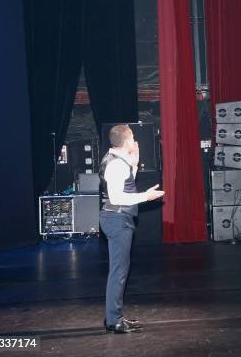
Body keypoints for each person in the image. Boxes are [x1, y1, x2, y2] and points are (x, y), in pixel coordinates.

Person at [99, 124, 165, 334]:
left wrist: (134, 164)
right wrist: (146, 196)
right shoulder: (116, 165)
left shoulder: (118, 161)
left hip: (117, 217)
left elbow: (126, 187)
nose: (135, 141)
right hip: (117, 218)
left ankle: (114, 317)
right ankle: (114, 320)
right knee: (118, 271)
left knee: (119, 270)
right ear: (127, 142)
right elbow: (118, 198)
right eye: (133, 138)